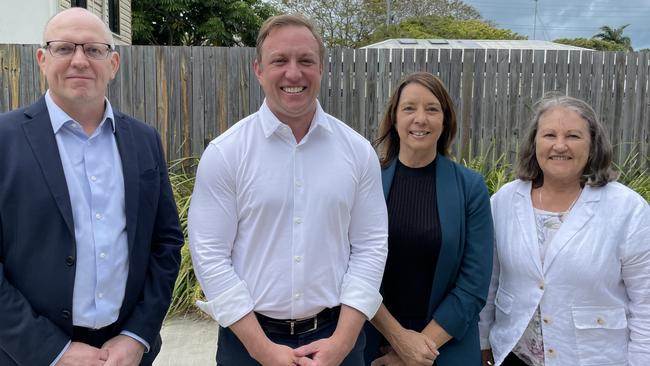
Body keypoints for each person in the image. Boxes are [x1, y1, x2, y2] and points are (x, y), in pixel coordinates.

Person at [188, 14, 388, 366]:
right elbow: (210, 257)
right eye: (279, 60)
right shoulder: (226, 154)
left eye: (305, 61)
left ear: (322, 68)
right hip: (248, 345)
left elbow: (370, 247)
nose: (293, 73)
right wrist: (262, 350)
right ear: (259, 70)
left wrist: (342, 342)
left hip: (338, 339)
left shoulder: (357, 152)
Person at [0, 8, 184, 366]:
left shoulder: (144, 140)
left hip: (125, 354)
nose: (80, 60)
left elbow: (166, 243)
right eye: (64, 48)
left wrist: (138, 335)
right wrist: (51, 350)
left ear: (113, 64)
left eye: (94, 50)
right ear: (42, 59)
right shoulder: (4, 140)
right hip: (28, 355)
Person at [479, 93, 650, 366]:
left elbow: (646, 302)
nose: (560, 146)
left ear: (593, 145)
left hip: (593, 358)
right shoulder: (505, 200)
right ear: (534, 142)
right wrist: (483, 341)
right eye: (549, 135)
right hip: (514, 355)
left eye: (573, 136)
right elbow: (489, 280)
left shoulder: (627, 209)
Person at [364, 72, 494, 366]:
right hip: (374, 344)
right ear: (394, 119)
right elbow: (352, 269)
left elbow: (474, 284)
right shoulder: (367, 183)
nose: (420, 118)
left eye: (432, 109)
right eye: (409, 108)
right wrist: (399, 340)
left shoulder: (470, 188)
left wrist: (416, 350)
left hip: (448, 345)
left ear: (445, 120)